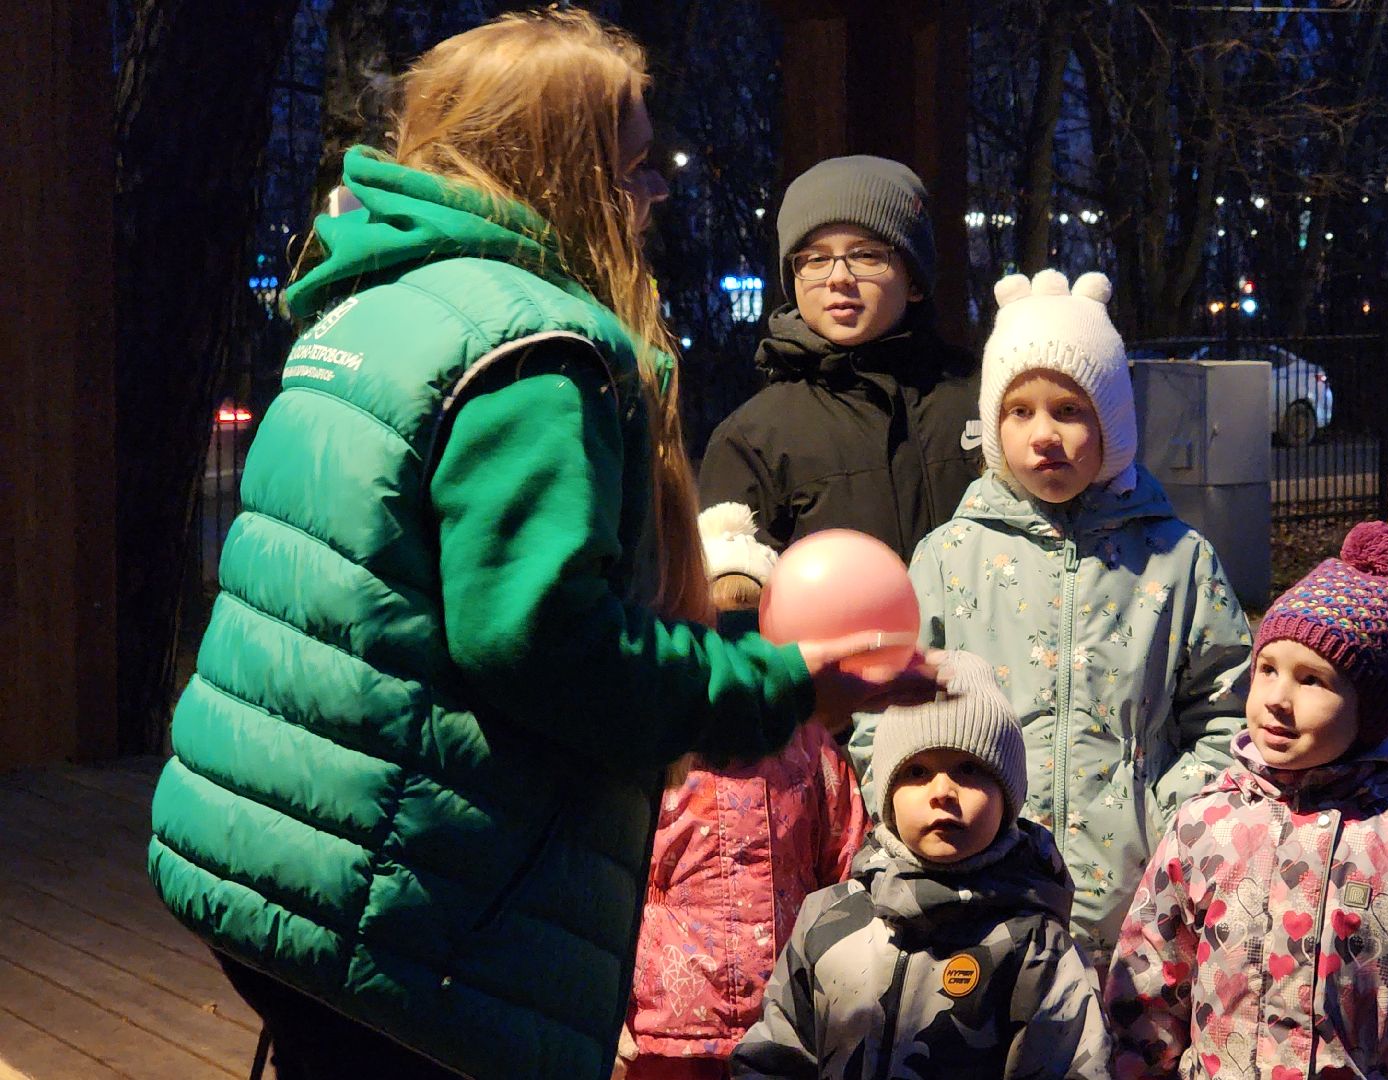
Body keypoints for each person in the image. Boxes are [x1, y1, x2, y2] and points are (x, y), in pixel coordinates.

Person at [145, 12, 929, 1080]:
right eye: (636, 165)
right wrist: (777, 685)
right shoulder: (534, 348)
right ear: (560, 165)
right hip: (395, 888)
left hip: (261, 840)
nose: (656, 194)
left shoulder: (373, 304)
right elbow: (544, 644)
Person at [852, 269, 1253, 969]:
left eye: (1070, 410)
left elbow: (1229, 711)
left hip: (1141, 897)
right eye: (1021, 412)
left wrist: (1176, 814)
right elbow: (882, 707)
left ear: (1113, 424)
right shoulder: (950, 557)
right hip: (977, 895)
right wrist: (909, 809)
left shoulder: (1176, 559)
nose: (1045, 435)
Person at [1105, 522, 1388, 1080]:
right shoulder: (1204, 824)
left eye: (1313, 680)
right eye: (1268, 670)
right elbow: (1148, 995)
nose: (1278, 699)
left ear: (1368, 710)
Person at [732, 652, 1112, 1080]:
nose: (943, 791)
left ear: (1009, 796)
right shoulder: (828, 920)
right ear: (887, 795)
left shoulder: (1036, 946)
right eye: (916, 771)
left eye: (969, 769)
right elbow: (774, 1057)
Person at [618, 504, 872, 1080]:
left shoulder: (808, 745)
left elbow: (847, 863)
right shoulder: (656, 746)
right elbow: (610, 879)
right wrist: (610, 1010)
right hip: (664, 1026)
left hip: (784, 1020)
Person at [699, 154, 982, 561]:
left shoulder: (984, 399)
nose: (838, 277)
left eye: (866, 255)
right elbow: (733, 602)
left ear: (914, 280)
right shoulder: (753, 437)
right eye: (815, 259)